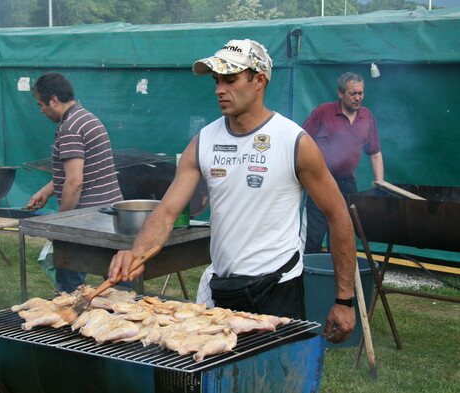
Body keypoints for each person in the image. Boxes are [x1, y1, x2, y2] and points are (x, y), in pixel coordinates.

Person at [108, 39, 357, 344]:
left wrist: (344, 300)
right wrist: (136, 253)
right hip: (223, 288)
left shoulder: (294, 142)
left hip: (278, 289)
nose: (218, 89)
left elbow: (337, 215)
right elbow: (167, 212)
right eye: (216, 81)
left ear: (259, 80)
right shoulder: (204, 141)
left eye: (230, 79)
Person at [27, 71, 123, 293]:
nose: (41, 110)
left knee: (70, 289)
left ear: (54, 100)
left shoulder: (70, 128)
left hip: (89, 220)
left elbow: (74, 181)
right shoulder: (86, 117)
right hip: (110, 215)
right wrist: (46, 191)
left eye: (41, 104)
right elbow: (79, 172)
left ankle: (70, 324)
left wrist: (62, 223)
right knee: (119, 285)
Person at [301, 72, 384, 254]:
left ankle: (335, 278)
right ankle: (307, 277)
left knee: (341, 234)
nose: (358, 98)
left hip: (347, 183)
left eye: (360, 93)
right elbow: (301, 140)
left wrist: (380, 183)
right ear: (340, 93)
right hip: (320, 180)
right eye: (353, 93)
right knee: (313, 236)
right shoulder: (324, 111)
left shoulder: (367, 116)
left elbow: (375, 152)